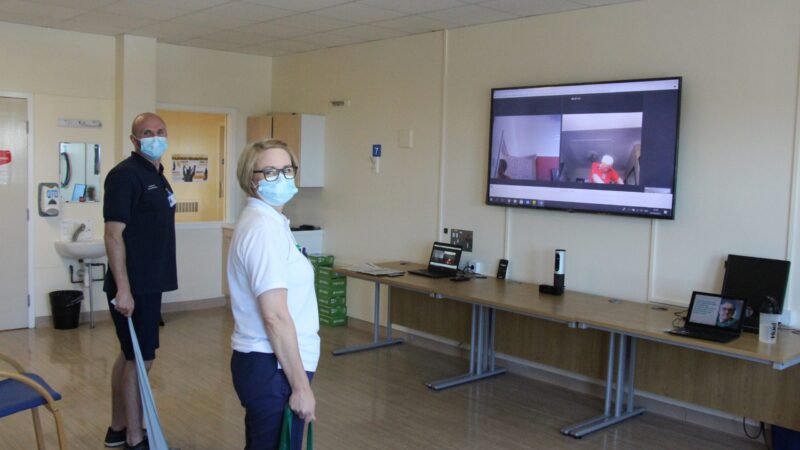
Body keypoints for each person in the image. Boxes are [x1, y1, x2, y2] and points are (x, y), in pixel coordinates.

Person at [228, 139, 319, 450]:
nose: (281, 177)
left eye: (286, 169)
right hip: (273, 367)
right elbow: (275, 315)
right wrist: (300, 387)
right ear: (250, 179)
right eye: (269, 171)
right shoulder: (262, 230)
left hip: (272, 365)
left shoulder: (272, 222)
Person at [103, 112, 177, 450]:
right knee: (140, 359)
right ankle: (135, 437)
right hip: (135, 286)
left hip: (148, 282)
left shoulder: (157, 174)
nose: (155, 137)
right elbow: (113, 234)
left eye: (160, 131)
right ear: (134, 140)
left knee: (130, 356)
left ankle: (119, 427)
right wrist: (124, 288)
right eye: (147, 133)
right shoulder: (126, 175)